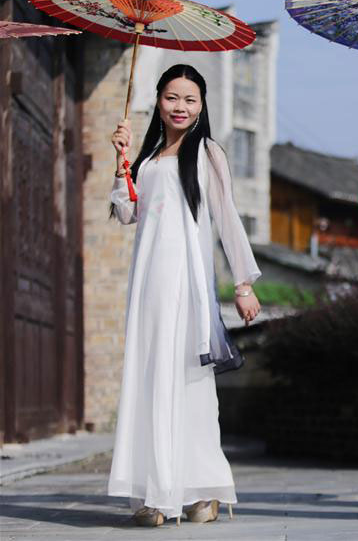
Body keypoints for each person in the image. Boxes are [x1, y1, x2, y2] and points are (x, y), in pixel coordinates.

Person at [107, 64, 261, 527]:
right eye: (172, 97)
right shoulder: (148, 158)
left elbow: (227, 218)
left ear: (201, 106)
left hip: (188, 285)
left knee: (190, 384)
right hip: (148, 285)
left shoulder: (208, 153)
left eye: (190, 99)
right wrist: (121, 163)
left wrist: (243, 283)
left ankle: (201, 491)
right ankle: (155, 493)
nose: (180, 107)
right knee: (151, 379)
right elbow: (127, 213)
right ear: (158, 101)